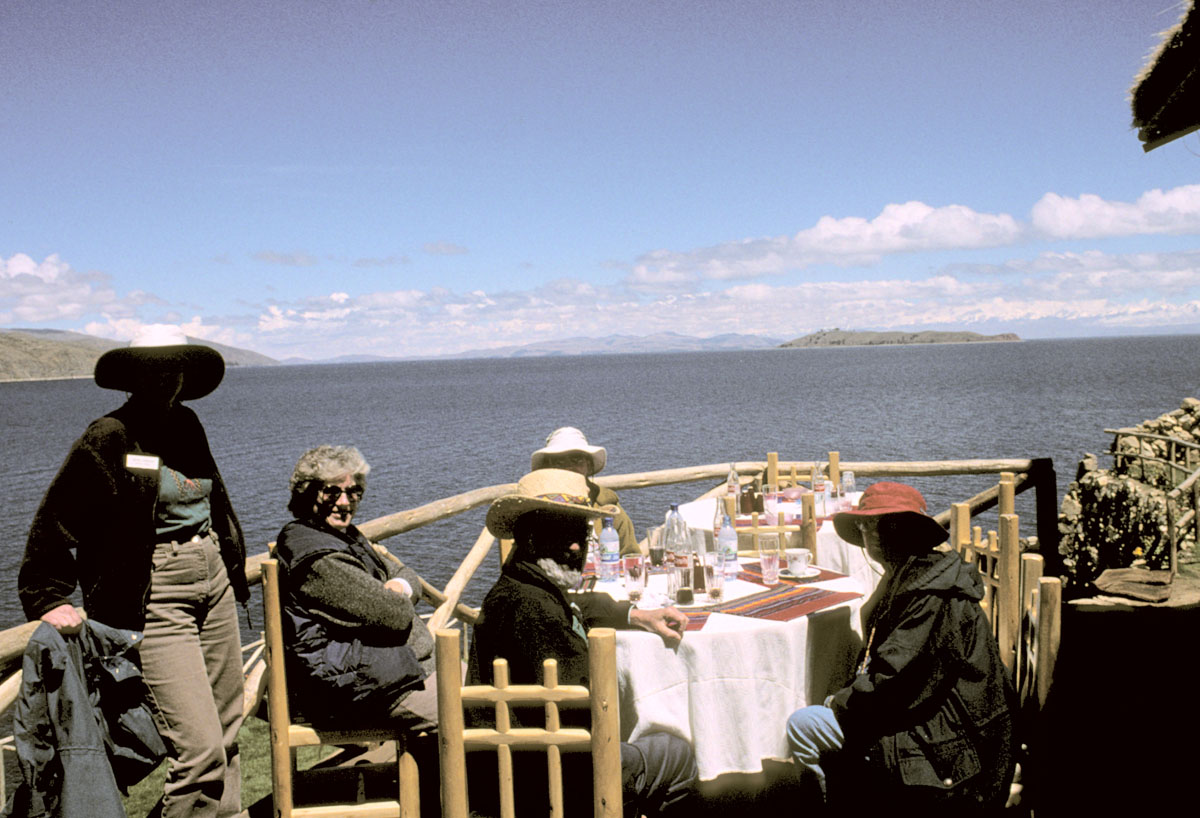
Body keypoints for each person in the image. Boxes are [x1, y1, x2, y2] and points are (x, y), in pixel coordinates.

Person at [18, 323, 247, 818]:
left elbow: (211, 499)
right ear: (134, 377)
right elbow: (58, 517)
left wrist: (227, 559)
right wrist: (48, 596)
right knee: (199, 749)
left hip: (214, 578)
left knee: (229, 731)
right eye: (155, 368)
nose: (168, 378)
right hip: (157, 592)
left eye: (176, 369)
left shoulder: (187, 423)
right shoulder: (109, 435)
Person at [469, 467, 698, 818]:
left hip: (504, 770)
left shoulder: (517, 587)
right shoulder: (539, 614)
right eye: (562, 531)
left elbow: (577, 603)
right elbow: (587, 718)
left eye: (581, 531)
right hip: (557, 779)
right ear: (530, 537)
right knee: (681, 751)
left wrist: (634, 614)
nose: (576, 545)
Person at [784, 482, 1017, 815]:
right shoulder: (916, 573)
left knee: (804, 725)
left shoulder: (930, 594)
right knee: (833, 701)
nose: (865, 535)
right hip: (937, 721)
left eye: (868, 526)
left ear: (886, 534)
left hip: (952, 748)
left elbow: (894, 680)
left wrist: (839, 701)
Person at [272, 445, 438, 733]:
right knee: (479, 713)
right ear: (308, 492)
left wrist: (397, 585)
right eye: (332, 492)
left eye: (354, 492)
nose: (345, 502)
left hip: (384, 674)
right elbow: (395, 613)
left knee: (484, 690)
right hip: (353, 690)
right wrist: (398, 596)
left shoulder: (340, 535)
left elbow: (404, 574)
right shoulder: (318, 557)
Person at [531, 426, 640, 555]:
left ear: (588, 465)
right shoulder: (534, 508)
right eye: (559, 461)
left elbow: (630, 556)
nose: (569, 467)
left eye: (577, 459)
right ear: (548, 466)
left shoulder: (608, 506)